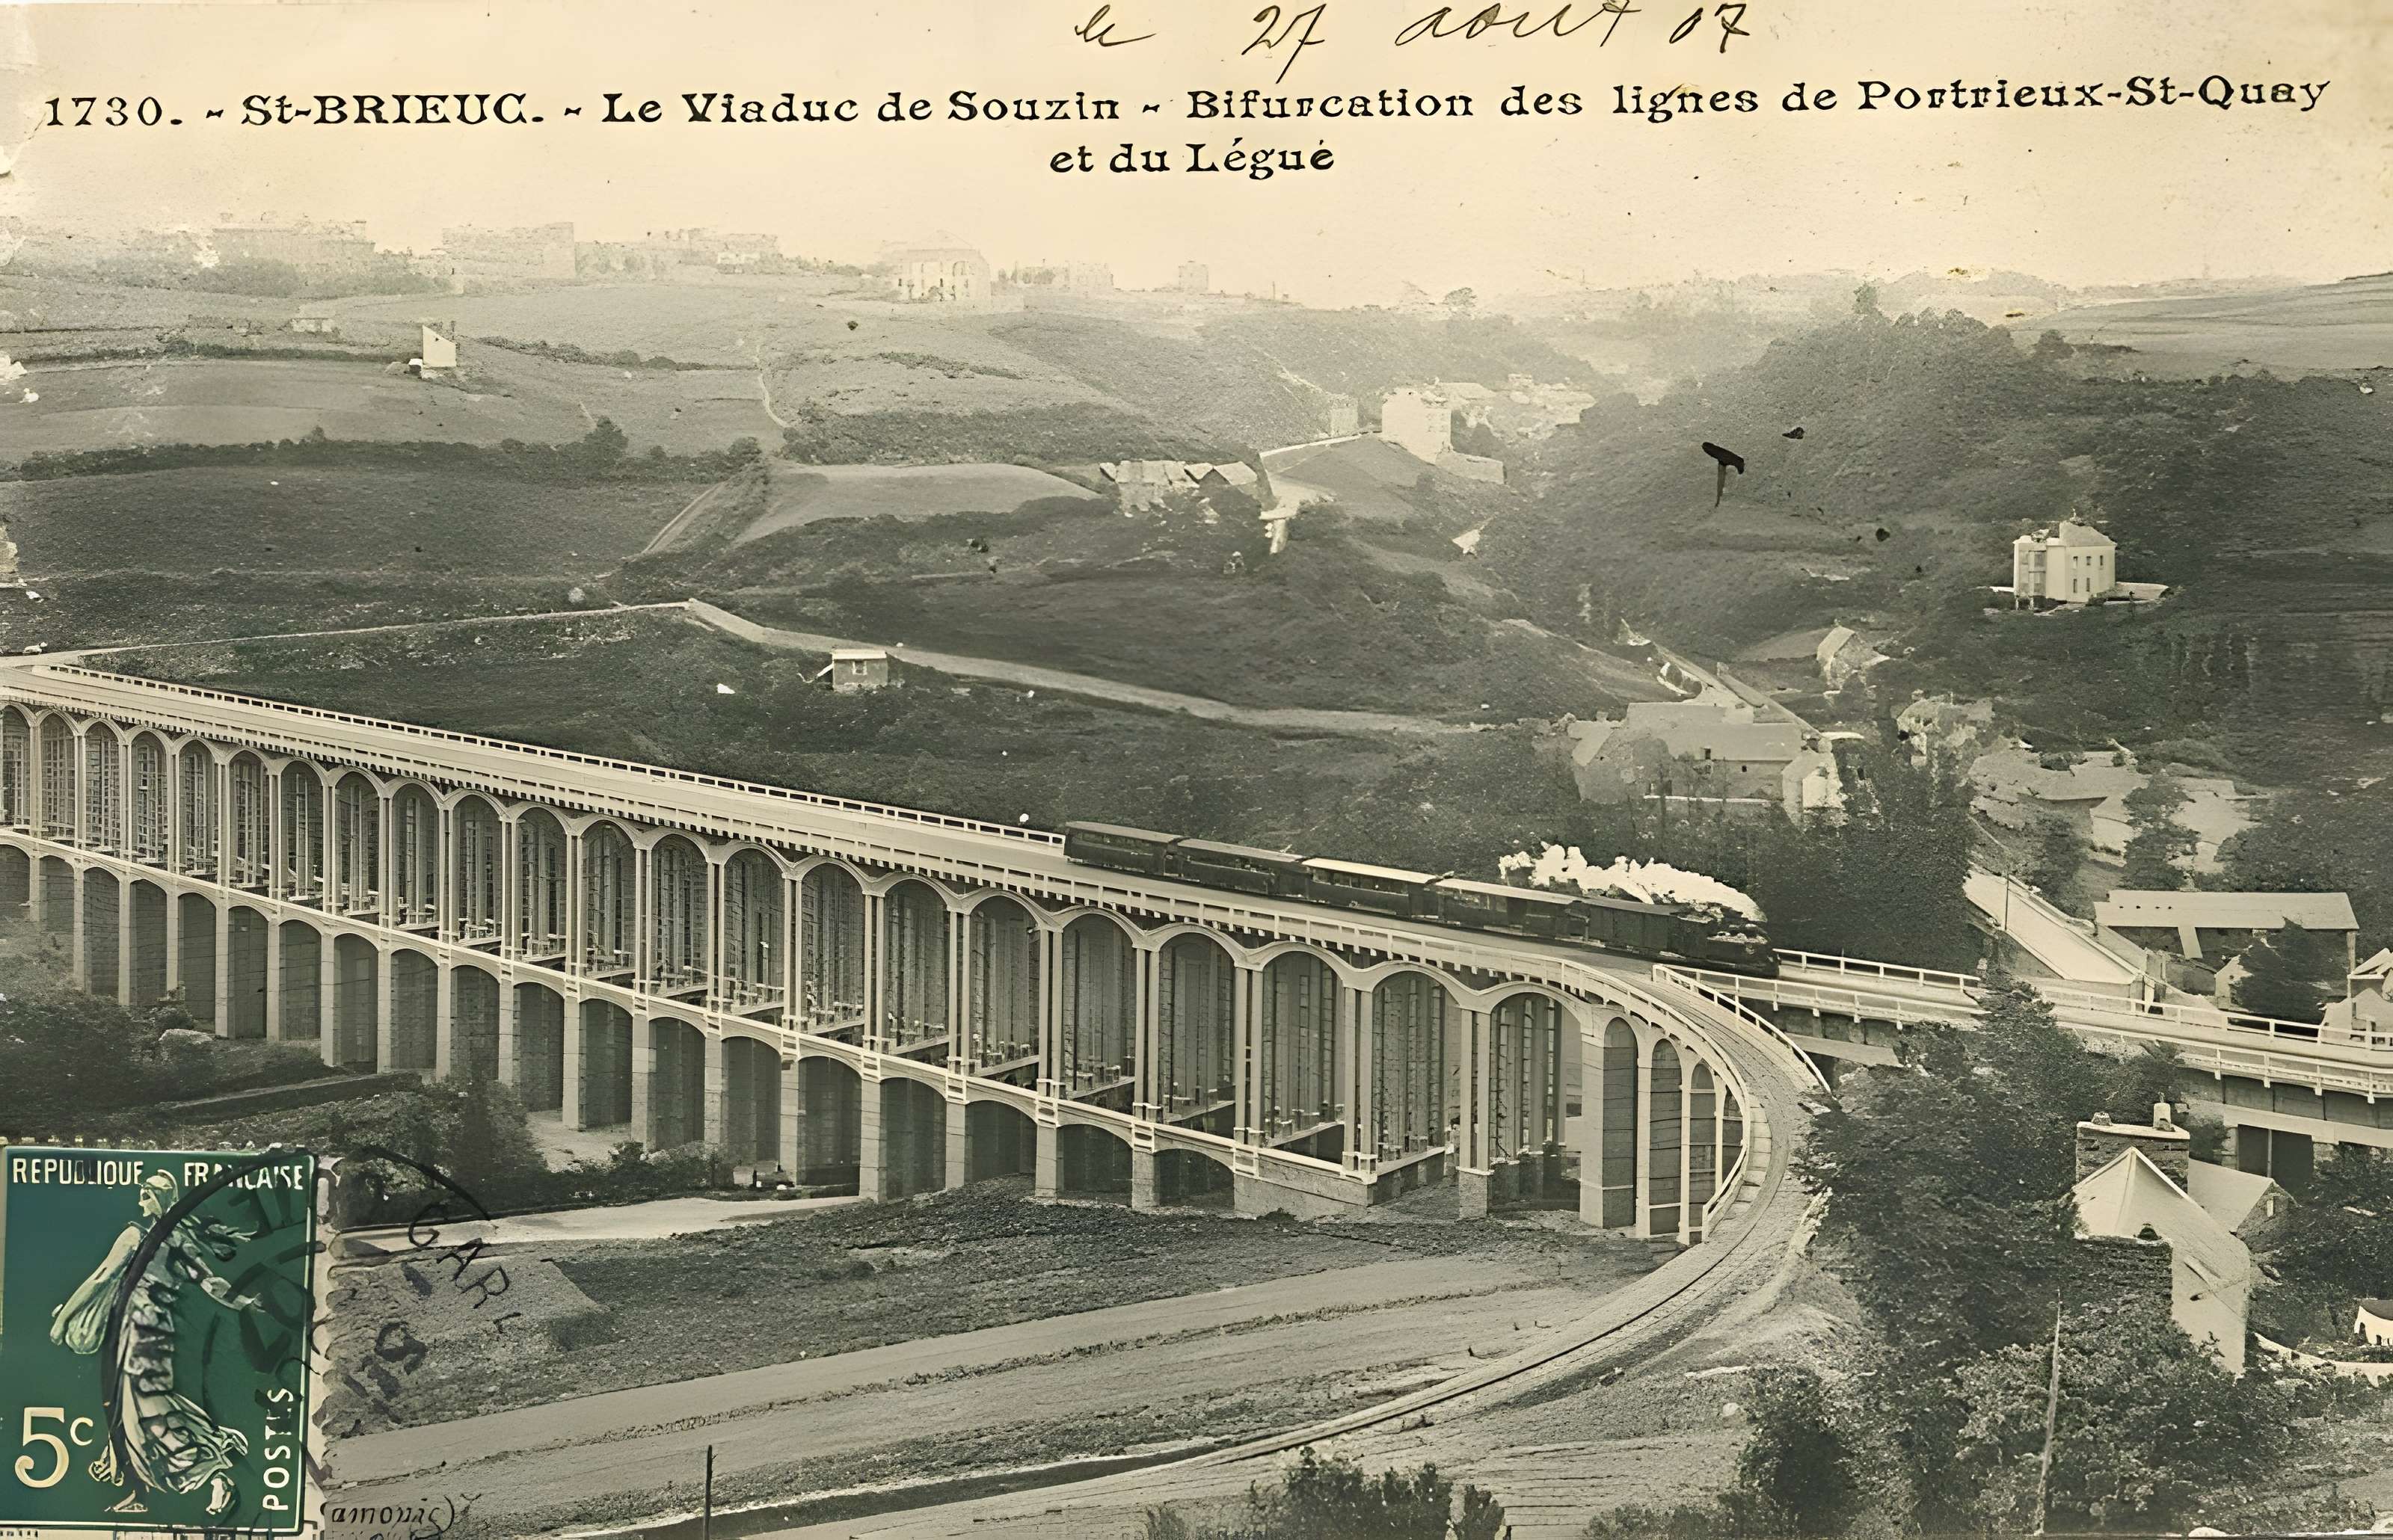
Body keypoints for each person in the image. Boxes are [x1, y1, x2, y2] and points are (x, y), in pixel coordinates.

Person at [48, 1168, 263, 1518]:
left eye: (148, 1192)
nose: (142, 1198)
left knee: (145, 1411)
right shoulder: (177, 1242)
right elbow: (212, 1285)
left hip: (139, 1337)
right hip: (148, 1336)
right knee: (134, 1409)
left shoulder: (136, 1237)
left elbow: (101, 1278)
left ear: (161, 1199)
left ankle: (212, 1474)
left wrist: (62, 1321)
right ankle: (141, 1486)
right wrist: (244, 1303)